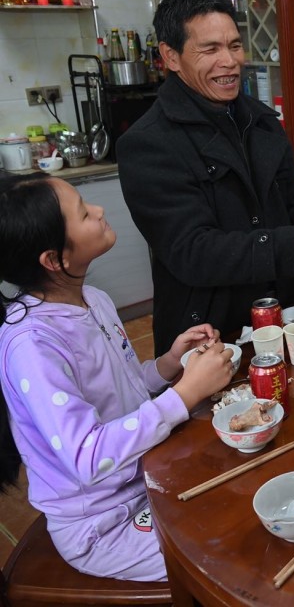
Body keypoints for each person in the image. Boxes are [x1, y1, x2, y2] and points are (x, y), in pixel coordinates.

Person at [0, 173, 235, 581]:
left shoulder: (93, 299)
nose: (100, 211)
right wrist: (185, 393)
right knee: (229, 553)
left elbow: (121, 393)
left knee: (247, 492)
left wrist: (169, 364)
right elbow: (88, 457)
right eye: (83, 213)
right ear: (55, 260)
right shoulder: (32, 345)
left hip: (147, 474)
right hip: (104, 523)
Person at [117, 0, 294, 355]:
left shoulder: (261, 119)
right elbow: (192, 251)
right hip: (210, 331)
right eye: (210, 49)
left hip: (284, 310)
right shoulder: (149, 143)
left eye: (235, 46)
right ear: (171, 57)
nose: (230, 61)